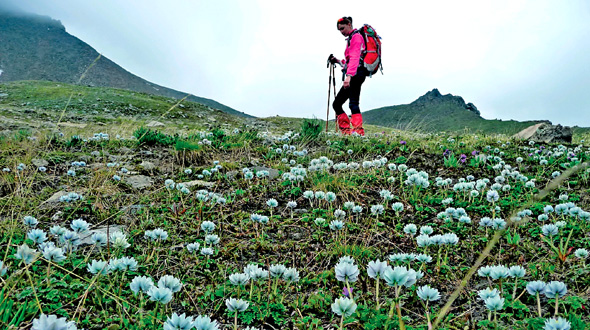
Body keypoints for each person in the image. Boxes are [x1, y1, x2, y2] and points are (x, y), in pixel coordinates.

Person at [328, 16, 368, 136]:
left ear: (349, 24)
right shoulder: (353, 37)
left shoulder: (355, 37)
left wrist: (349, 76)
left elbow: (355, 58)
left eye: (342, 28)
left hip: (355, 74)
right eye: (339, 30)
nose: (341, 32)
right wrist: (337, 61)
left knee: (339, 104)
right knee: (352, 103)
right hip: (358, 73)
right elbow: (351, 61)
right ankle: (355, 132)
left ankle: (350, 132)